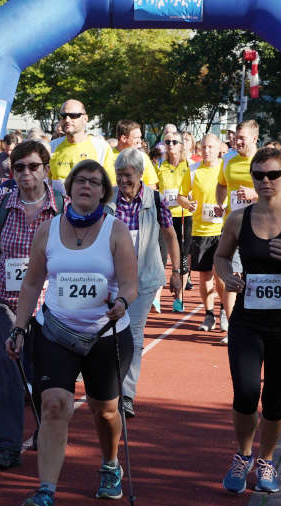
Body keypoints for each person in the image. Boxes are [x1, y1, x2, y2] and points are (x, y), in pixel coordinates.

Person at [9, 158, 137, 506]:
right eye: (80, 180)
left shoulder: (115, 230)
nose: (86, 187)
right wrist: (19, 327)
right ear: (68, 186)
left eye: (95, 183)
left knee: (105, 410)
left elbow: (130, 283)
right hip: (56, 332)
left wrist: (123, 302)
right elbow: (32, 282)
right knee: (53, 406)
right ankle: (46, 492)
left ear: (103, 192)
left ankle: (110, 464)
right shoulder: (47, 230)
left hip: (106, 335)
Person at [214, 147, 281, 494]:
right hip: (247, 321)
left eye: (273, 174)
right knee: (246, 394)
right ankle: (243, 454)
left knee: (275, 399)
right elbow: (221, 256)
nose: (266, 181)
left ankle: (267, 460)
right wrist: (227, 277)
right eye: (259, 175)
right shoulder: (239, 219)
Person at [0, 140, 63, 470]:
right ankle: (8, 444)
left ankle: (46, 428)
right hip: (4, 300)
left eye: (33, 166)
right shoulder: (4, 200)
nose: (26, 173)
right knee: (6, 368)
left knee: (42, 371)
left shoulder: (61, 207)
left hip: (48, 304)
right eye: (19, 167)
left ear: (46, 170)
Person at [106, 148, 180, 418]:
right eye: (119, 175)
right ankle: (105, 387)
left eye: (127, 175)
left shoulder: (155, 199)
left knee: (134, 335)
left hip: (145, 277)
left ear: (139, 174)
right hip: (113, 278)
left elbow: (170, 236)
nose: (123, 180)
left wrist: (177, 271)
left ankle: (126, 395)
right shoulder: (108, 200)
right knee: (106, 333)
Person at [215, 120, 259, 344]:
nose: (237, 141)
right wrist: (220, 203)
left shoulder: (262, 160)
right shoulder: (228, 158)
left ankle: (257, 325)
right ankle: (234, 329)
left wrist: (255, 195)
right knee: (231, 277)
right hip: (233, 226)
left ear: (254, 138)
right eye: (236, 137)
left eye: (242, 137)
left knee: (255, 278)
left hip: (259, 227)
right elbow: (221, 185)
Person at [178, 134, 227, 333]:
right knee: (205, 277)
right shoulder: (192, 170)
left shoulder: (225, 168)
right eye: (204, 147)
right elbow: (180, 196)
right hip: (200, 230)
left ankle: (225, 311)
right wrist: (187, 203)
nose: (207, 151)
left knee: (221, 276)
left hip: (222, 230)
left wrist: (225, 207)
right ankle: (209, 315)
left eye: (211, 147)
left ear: (219, 148)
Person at [157, 130, 192, 312]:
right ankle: (160, 295)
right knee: (166, 256)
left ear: (181, 145)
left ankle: (179, 297)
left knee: (183, 257)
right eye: (167, 142)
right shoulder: (160, 166)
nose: (170, 145)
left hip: (184, 216)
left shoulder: (189, 165)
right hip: (166, 216)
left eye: (174, 142)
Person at [49, 100, 116, 190]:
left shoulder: (101, 147)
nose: (67, 120)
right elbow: (45, 183)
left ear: (85, 119)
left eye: (73, 116)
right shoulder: (51, 147)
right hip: (59, 203)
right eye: (63, 116)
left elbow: (111, 186)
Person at [113, 120, 158, 188]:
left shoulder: (143, 157)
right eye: (136, 138)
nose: (140, 141)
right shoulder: (108, 156)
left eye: (140, 137)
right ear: (124, 138)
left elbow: (151, 185)